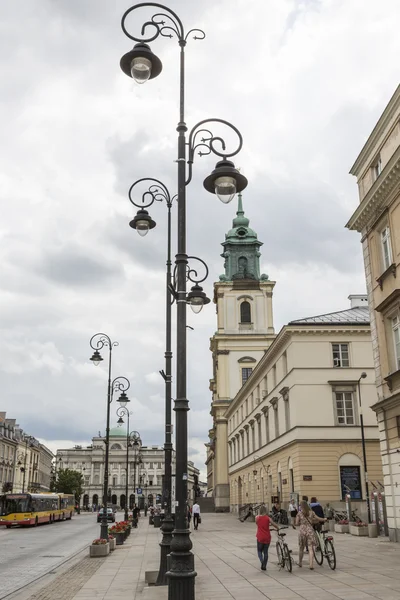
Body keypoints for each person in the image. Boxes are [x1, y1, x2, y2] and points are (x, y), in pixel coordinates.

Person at [295, 500, 327, 570]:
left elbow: (296, 523)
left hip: (302, 531)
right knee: (311, 548)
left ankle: (300, 562)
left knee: (301, 548)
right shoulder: (312, 512)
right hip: (310, 531)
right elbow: (318, 518)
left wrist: (301, 522)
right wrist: (324, 519)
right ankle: (311, 564)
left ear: (301, 506)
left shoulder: (299, 513)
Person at [255, 504, 279, 571]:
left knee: (259, 551)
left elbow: (256, 523)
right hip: (267, 536)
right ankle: (264, 565)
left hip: (260, 536)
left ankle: (262, 562)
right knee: (265, 552)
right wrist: (277, 527)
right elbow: (274, 524)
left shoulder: (257, 518)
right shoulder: (268, 518)